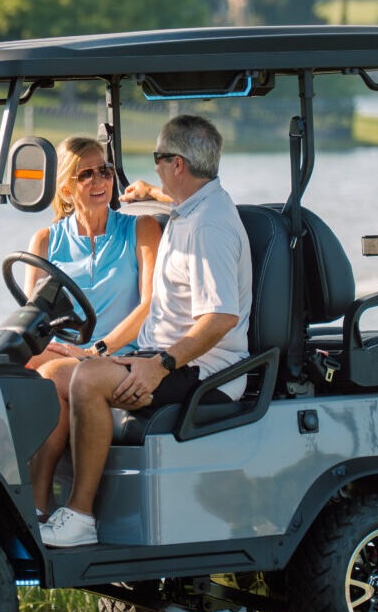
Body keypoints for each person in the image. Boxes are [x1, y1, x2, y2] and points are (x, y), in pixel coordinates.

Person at [37, 114, 252, 550]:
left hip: (203, 371)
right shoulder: (195, 207)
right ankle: (38, 507)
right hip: (167, 356)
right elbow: (181, 203)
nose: (153, 169)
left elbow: (220, 318)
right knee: (56, 374)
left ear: (177, 165)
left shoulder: (209, 224)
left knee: (88, 378)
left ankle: (80, 515)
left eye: (158, 161)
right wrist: (152, 193)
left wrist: (161, 365)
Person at [22, 137, 161, 517]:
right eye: (88, 174)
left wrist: (95, 351)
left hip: (121, 358)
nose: (101, 180)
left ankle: (38, 506)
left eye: (106, 170)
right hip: (63, 354)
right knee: (10, 370)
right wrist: (53, 347)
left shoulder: (142, 229)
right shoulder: (47, 240)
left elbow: (150, 305)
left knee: (50, 378)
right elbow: (33, 316)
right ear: (66, 187)